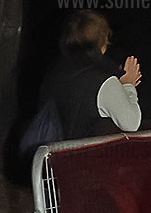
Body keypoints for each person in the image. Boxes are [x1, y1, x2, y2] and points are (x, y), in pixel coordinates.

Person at [40, 10, 142, 140]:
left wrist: (118, 86)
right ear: (103, 41)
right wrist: (128, 86)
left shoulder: (55, 70)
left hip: (47, 149)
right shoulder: (103, 80)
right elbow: (131, 123)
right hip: (79, 151)